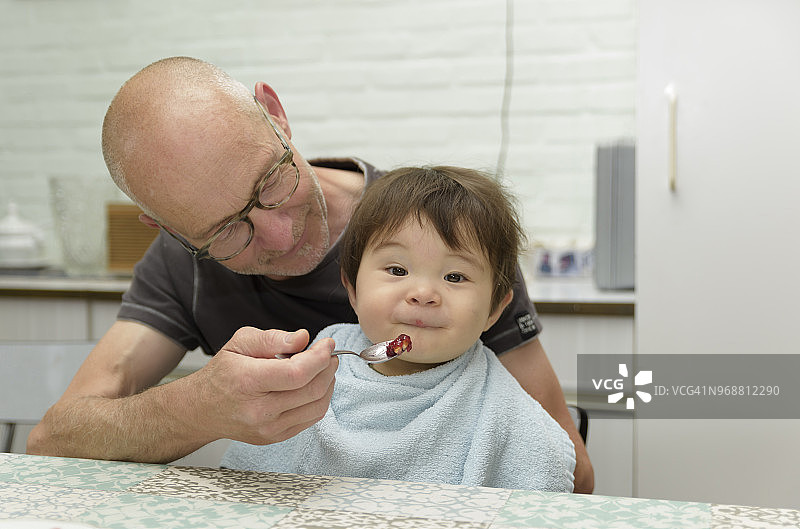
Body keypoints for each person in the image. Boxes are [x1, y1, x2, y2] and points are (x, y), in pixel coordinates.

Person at [26, 56, 593, 493]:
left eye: (270, 183)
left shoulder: (446, 240)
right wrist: (197, 406)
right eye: (227, 231)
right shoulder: (181, 266)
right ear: (166, 227)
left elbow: (570, 469)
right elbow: (54, 440)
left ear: (275, 113)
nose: (276, 237)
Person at [221, 166, 577, 491]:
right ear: (353, 289)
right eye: (397, 270)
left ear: (495, 310)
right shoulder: (317, 362)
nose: (422, 294)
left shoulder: (504, 412)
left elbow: (540, 492)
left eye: (455, 276)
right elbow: (250, 480)